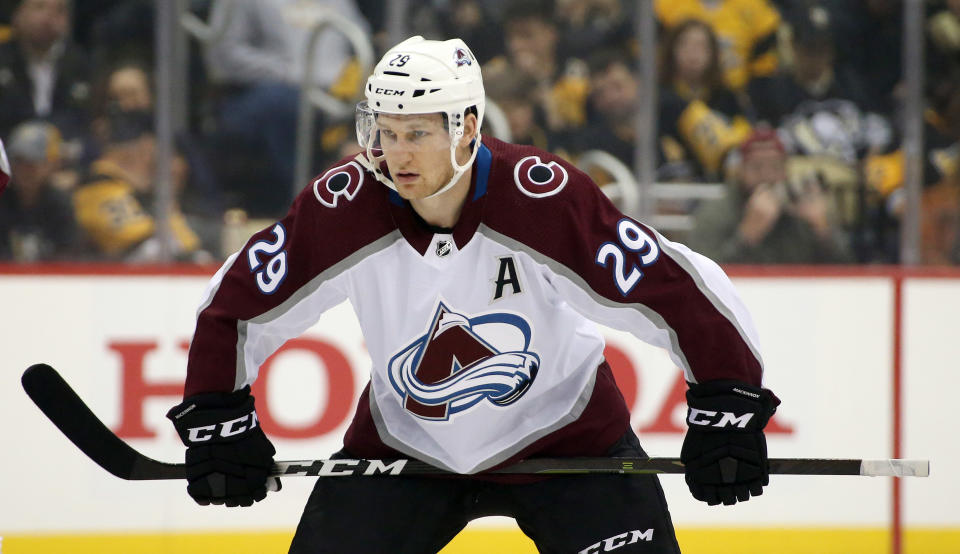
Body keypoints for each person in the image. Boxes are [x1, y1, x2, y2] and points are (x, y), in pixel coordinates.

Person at [165, 36, 780, 553]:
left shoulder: (542, 198)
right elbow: (240, 300)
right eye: (384, 133)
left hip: (567, 438)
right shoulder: (343, 205)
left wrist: (727, 397)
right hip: (406, 446)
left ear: (466, 129)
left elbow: (672, 284)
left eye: (416, 134)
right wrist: (218, 410)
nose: (394, 155)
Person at [689, 126, 852, 264]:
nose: (766, 176)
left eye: (775, 167)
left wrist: (823, 231)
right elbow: (703, 281)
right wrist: (746, 238)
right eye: (757, 167)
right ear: (740, 171)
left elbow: (848, 273)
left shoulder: (801, 206)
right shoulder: (715, 213)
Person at [0, 120, 78, 261]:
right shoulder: (2, 200)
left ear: (52, 164)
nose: (24, 170)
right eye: (19, 161)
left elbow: (68, 255)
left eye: (33, 162)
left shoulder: (60, 205)